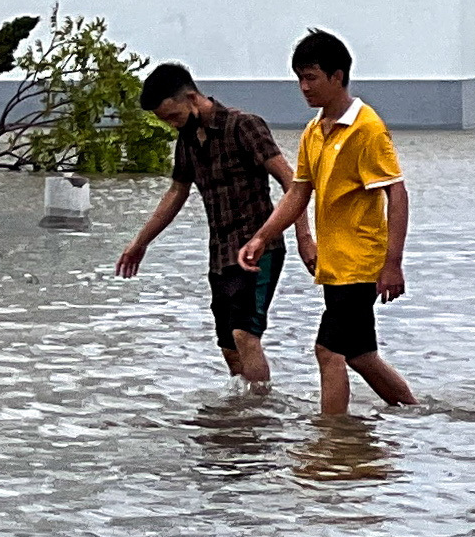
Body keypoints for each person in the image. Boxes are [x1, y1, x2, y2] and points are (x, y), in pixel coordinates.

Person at [237, 28, 418, 417]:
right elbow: (299, 193)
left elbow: (397, 193)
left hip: (361, 264)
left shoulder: (366, 129)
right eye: (299, 78)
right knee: (359, 353)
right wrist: (262, 237)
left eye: (311, 78)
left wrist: (393, 263)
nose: (304, 87)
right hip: (333, 265)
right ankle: (416, 413)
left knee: (328, 350)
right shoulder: (314, 131)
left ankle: (332, 439)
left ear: (337, 77)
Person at [113, 61, 293, 388]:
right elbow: (177, 191)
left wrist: (304, 238)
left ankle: (260, 413)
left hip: (259, 249)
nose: (171, 125)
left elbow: (292, 183)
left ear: (192, 98)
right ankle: (241, 423)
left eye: (173, 116)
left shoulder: (245, 126)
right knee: (228, 345)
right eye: (164, 120)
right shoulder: (186, 140)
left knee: (245, 333)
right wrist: (140, 242)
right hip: (221, 253)